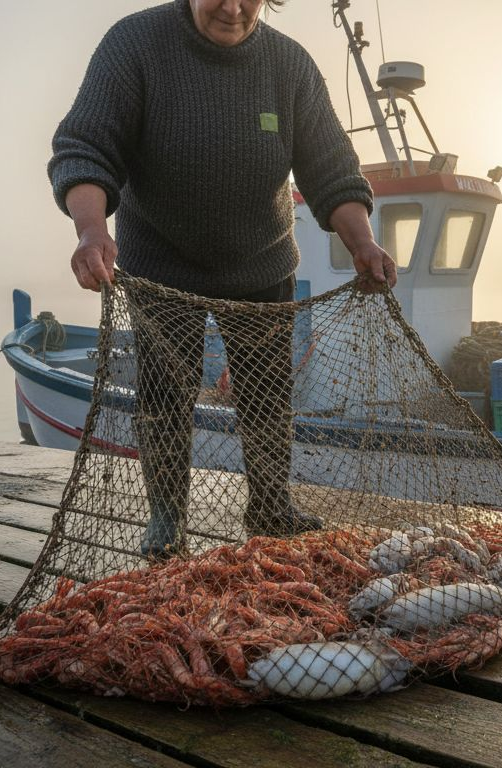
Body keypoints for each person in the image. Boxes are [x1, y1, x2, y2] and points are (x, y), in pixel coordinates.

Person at [49, 0, 396, 556]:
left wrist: (363, 242)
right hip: (162, 267)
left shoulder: (289, 65)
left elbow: (330, 167)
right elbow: (85, 147)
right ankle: (167, 518)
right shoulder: (134, 45)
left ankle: (269, 505)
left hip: (262, 265)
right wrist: (92, 231)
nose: (234, 8)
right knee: (163, 397)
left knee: (266, 398)